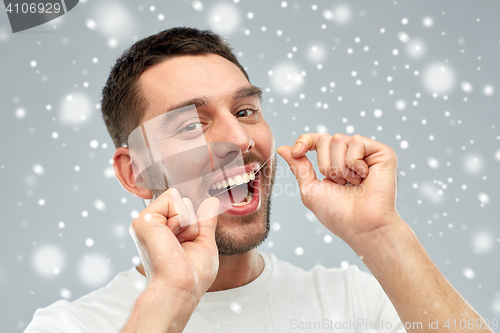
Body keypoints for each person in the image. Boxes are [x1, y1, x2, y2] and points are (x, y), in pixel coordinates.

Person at [25, 27, 493, 333]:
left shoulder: (354, 302)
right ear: (134, 171)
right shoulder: (71, 325)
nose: (238, 138)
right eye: (192, 124)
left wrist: (381, 235)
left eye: (246, 111)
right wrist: (170, 300)